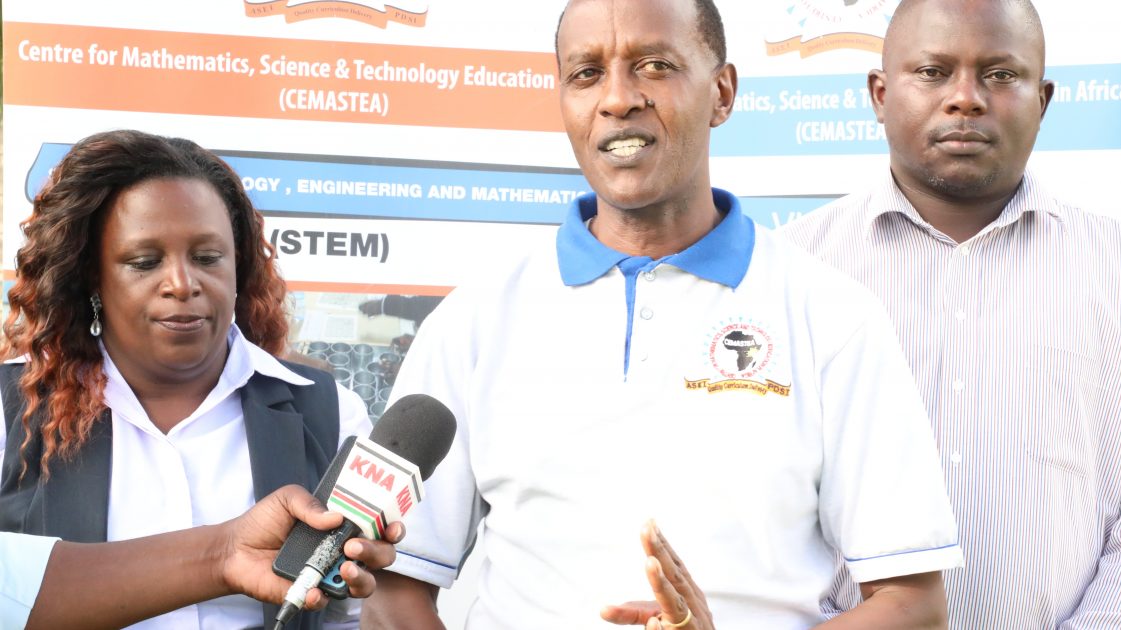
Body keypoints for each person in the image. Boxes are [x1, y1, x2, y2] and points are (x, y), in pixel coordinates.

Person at [363, 0, 963, 627]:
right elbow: (391, 585)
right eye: (586, 74)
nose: (618, 99)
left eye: (654, 65)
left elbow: (913, 605)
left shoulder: (833, 316)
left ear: (721, 94)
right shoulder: (474, 321)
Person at [781, 0, 1121, 627]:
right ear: (879, 94)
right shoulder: (794, 272)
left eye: (1001, 75)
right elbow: (757, 519)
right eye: (932, 72)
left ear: (1044, 100)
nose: (965, 99)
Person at [0, 129, 374, 630]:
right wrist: (218, 556)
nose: (182, 284)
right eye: (144, 262)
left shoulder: (330, 413)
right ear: (91, 276)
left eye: (207, 258)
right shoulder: (11, 409)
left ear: (239, 264)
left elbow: (351, 617)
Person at [3, 484, 402, 630]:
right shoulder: (12, 398)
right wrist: (223, 555)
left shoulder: (325, 401)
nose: (182, 289)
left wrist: (230, 554)